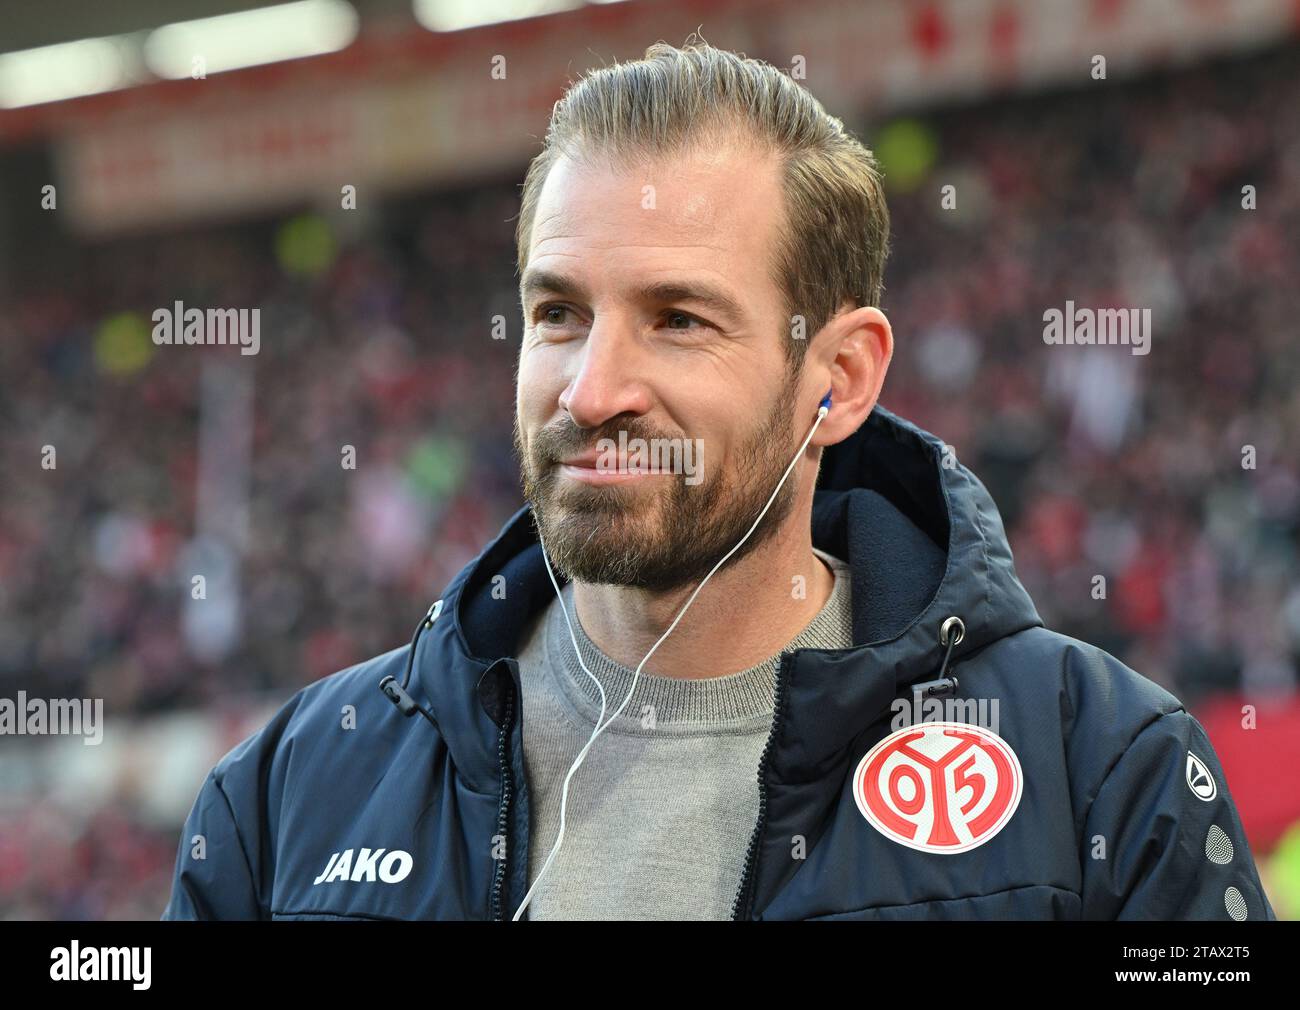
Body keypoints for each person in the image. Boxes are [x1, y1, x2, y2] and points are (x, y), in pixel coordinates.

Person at [162, 40, 1275, 921]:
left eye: (678, 320)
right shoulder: (285, 794)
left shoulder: (1102, 773)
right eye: (559, 314)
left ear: (837, 379)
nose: (592, 390)